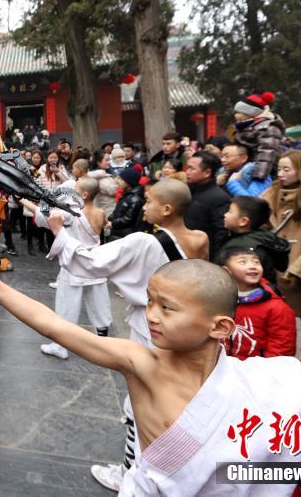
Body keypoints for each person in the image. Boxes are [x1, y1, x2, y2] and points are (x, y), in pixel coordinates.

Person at [0, 252, 301, 496]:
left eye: (167, 307)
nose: (151, 316)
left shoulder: (275, 383)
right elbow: (56, 326)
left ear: (219, 327)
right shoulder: (140, 362)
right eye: (149, 301)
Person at [43, 178, 208, 491]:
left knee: (141, 404)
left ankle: (132, 474)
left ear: (167, 209)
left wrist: (58, 230)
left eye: (149, 201)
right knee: (176, 402)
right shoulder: (199, 239)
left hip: (154, 332)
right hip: (190, 331)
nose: (144, 206)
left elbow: (90, 262)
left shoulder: (145, 243)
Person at [22, 177, 111, 360]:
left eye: (75, 191)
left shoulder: (71, 213)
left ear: (83, 194)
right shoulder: (101, 212)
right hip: (95, 264)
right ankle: (105, 343)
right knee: (99, 304)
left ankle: (60, 346)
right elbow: (106, 226)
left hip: (75, 264)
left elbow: (43, 216)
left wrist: (24, 201)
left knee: (66, 307)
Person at [259, 151, 301, 317]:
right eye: (279, 169)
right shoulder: (270, 194)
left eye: (287, 169)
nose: (281, 174)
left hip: (298, 274)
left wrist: (299, 269)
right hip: (270, 271)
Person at [221, 246, 296, 359]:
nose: (252, 266)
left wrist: (264, 372)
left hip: (258, 371)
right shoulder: (220, 300)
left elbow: (282, 347)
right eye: (243, 262)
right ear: (227, 270)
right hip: (225, 367)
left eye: (256, 262)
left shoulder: (276, 306)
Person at [215, 196, 290, 287]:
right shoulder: (253, 237)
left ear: (243, 221)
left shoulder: (244, 248)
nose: (225, 215)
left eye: (230, 211)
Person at [184, 150, 231, 261]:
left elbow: (221, 234)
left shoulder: (219, 198)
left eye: (192, 169)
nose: (187, 172)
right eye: (187, 167)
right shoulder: (187, 191)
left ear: (207, 173)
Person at [233, 91, 286, 181]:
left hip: (259, 174)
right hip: (245, 170)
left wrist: (259, 176)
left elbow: (266, 153)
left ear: (251, 113)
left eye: (239, 112)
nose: (236, 115)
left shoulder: (268, 128)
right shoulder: (245, 126)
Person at [108, 165, 145, 241]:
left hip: (124, 234)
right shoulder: (126, 194)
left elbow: (128, 219)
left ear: (129, 182)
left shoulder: (136, 199)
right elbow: (117, 210)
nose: (118, 181)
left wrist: (113, 223)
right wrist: (110, 219)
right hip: (118, 231)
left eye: (121, 179)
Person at [88, 150, 118, 218]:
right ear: (98, 162)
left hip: (110, 209)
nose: (109, 162)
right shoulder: (98, 176)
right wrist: (121, 183)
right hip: (107, 211)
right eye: (106, 160)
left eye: (109, 160)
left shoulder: (107, 172)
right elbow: (112, 190)